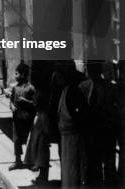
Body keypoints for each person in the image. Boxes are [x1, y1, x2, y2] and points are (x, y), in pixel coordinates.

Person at [79, 60, 118, 186]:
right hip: (106, 129)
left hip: (93, 131)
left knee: (94, 162)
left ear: (88, 70)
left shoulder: (82, 87)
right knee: (108, 163)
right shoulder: (110, 86)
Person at [56, 61, 88, 189]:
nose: (56, 77)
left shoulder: (73, 92)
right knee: (69, 174)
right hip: (66, 139)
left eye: (58, 73)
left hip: (73, 140)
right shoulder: (66, 90)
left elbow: (80, 116)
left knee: (73, 174)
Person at [7, 62, 36, 170]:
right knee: (16, 140)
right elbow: (11, 100)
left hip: (27, 118)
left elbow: (35, 104)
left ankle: (32, 161)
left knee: (30, 140)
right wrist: (11, 106)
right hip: (16, 118)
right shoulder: (15, 88)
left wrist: (26, 101)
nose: (15, 76)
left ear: (23, 75)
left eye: (17, 73)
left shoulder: (31, 88)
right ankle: (18, 161)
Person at [24, 87, 51, 185]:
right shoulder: (38, 114)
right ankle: (41, 176)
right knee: (40, 160)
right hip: (37, 140)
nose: (34, 103)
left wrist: (46, 138)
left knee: (43, 161)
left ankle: (43, 178)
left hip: (42, 142)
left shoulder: (43, 115)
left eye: (36, 102)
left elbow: (47, 129)